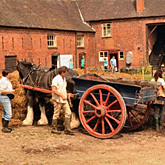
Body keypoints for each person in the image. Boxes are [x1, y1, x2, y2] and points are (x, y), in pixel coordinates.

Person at [51, 66, 74, 135]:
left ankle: (67, 129)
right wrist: (61, 95)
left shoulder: (64, 79)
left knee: (68, 113)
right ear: (62, 72)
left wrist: (66, 94)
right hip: (57, 99)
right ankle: (54, 128)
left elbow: (63, 88)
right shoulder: (56, 79)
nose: (67, 73)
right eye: (66, 72)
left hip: (64, 99)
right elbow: (53, 90)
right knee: (56, 114)